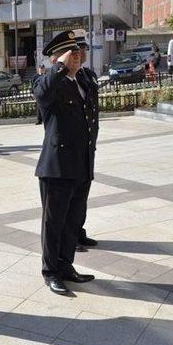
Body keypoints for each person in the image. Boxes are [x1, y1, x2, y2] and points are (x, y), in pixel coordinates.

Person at [33, 30, 98, 296]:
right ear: (58, 57)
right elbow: (41, 92)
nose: (78, 55)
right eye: (72, 52)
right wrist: (59, 66)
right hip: (57, 166)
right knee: (54, 223)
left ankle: (66, 265)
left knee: (73, 220)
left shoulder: (82, 80)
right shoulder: (48, 82)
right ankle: (51, 272)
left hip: (82, 164)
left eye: (79, 51)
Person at [75, 38, 100, 250]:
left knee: (83, 192)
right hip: (73, 149)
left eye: (84, 49)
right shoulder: (67, 78)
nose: (83, 52)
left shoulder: (87, 75)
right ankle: (69, 236)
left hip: (88, 146)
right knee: (72, 196)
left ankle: (78, 230)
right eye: (79, 49)